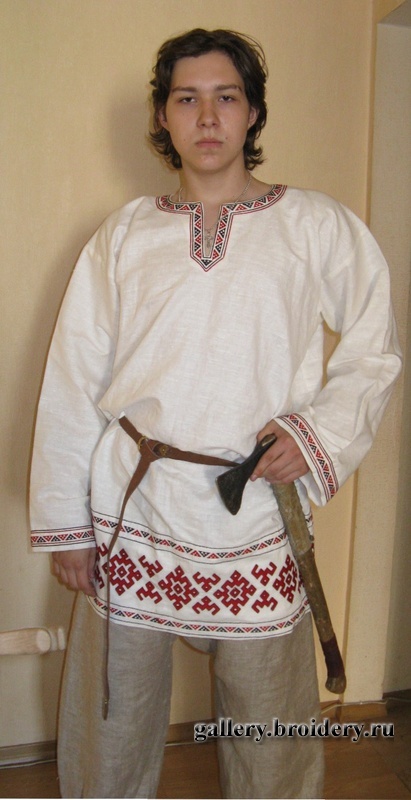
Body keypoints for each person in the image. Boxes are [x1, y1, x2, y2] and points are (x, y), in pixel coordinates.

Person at [30, 28, 402, 800]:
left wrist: (315, 434)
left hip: (256, 512)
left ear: (252, 112)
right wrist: (67, 524)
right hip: (133, 510)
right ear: (162, 117)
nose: (206, 117)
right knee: (112, 727)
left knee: (270, 736)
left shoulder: (315, 226)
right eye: (186, 98)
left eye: (225, 97)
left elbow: (374, 350)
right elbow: (72, 378)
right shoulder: (123, 235)